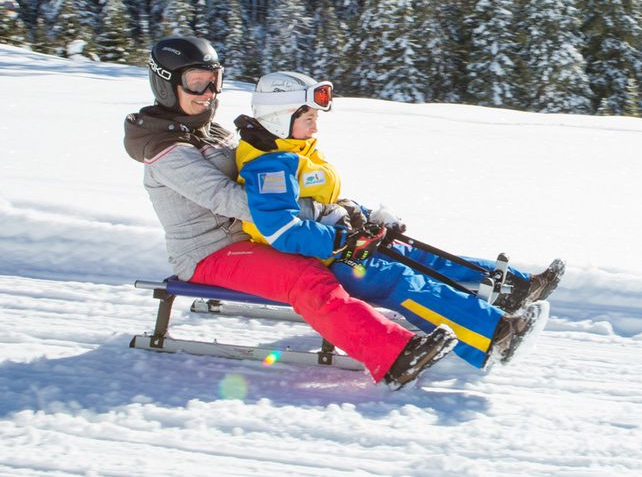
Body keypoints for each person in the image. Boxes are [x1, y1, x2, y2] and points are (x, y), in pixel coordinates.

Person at [123, 36, 457, 388]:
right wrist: (315, 212)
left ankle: (447, 311)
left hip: (251, 238)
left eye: (214, 80)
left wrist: (344, 209)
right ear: (166, 82)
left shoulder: (208, 130)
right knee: (305, 278)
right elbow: (229, 198)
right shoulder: (165, 149)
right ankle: (393, 355)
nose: (209, 92)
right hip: (208, 254)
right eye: (196, 82)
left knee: (346, 260)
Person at [234, 71, 564, 368]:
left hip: (340, 242)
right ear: (279, 117)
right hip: (319, 257)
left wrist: (367, 217)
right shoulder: (269, 167)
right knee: (398, 279)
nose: (315, 126)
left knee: (414, 253)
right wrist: (341, 242)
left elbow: (322, 202)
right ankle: (496, 336)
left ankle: (516, 288)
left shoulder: (294, 150)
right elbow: (282, 230)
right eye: (308, 117)